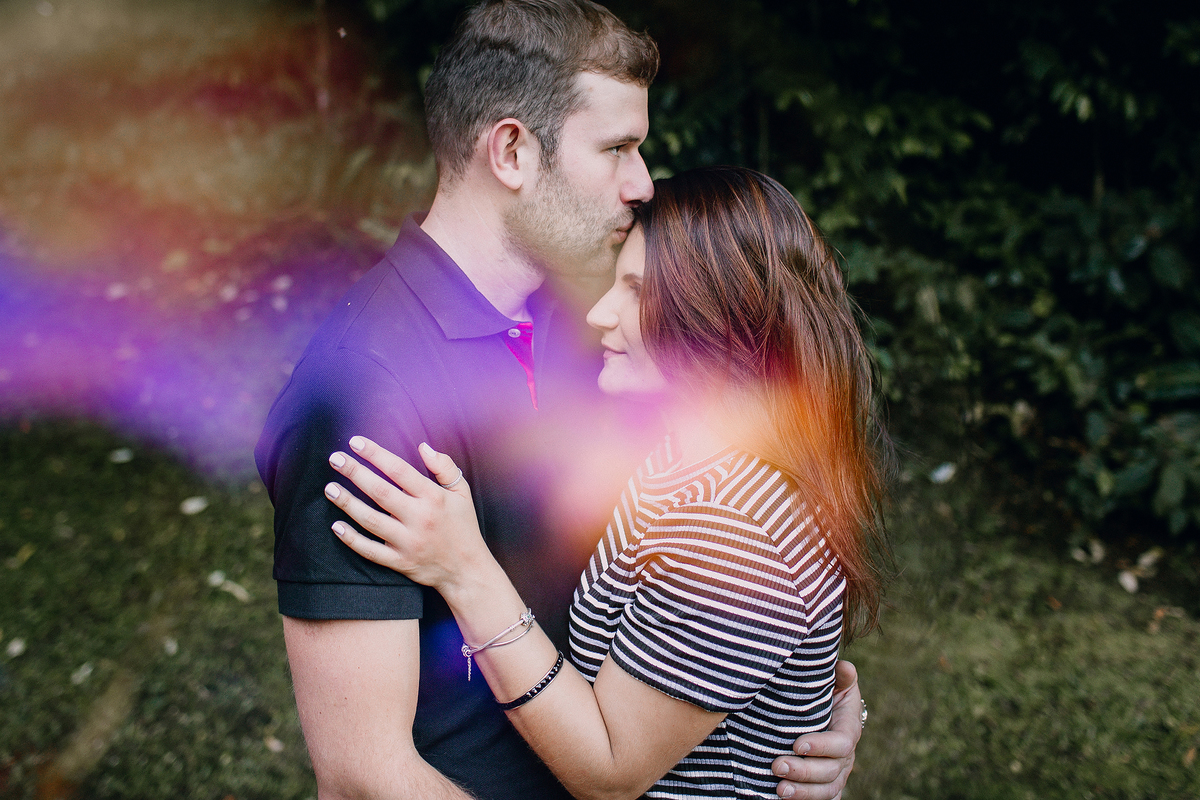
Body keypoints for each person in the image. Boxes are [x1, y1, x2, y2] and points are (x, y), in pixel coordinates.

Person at [255, 1, 864, 797]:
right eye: (616, 148)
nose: (643, 183)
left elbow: (714, 553)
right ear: (511, 150)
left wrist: (799, 716)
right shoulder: (363, 391)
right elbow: (365, 778)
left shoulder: (602, 323)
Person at [323, 166, 891, 799]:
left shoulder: (731, 529)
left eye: (637, 290)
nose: (601, 312)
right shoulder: (681, 450)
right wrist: (827, 697)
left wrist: (463, 569)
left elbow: (610, 772)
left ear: (719, 320)